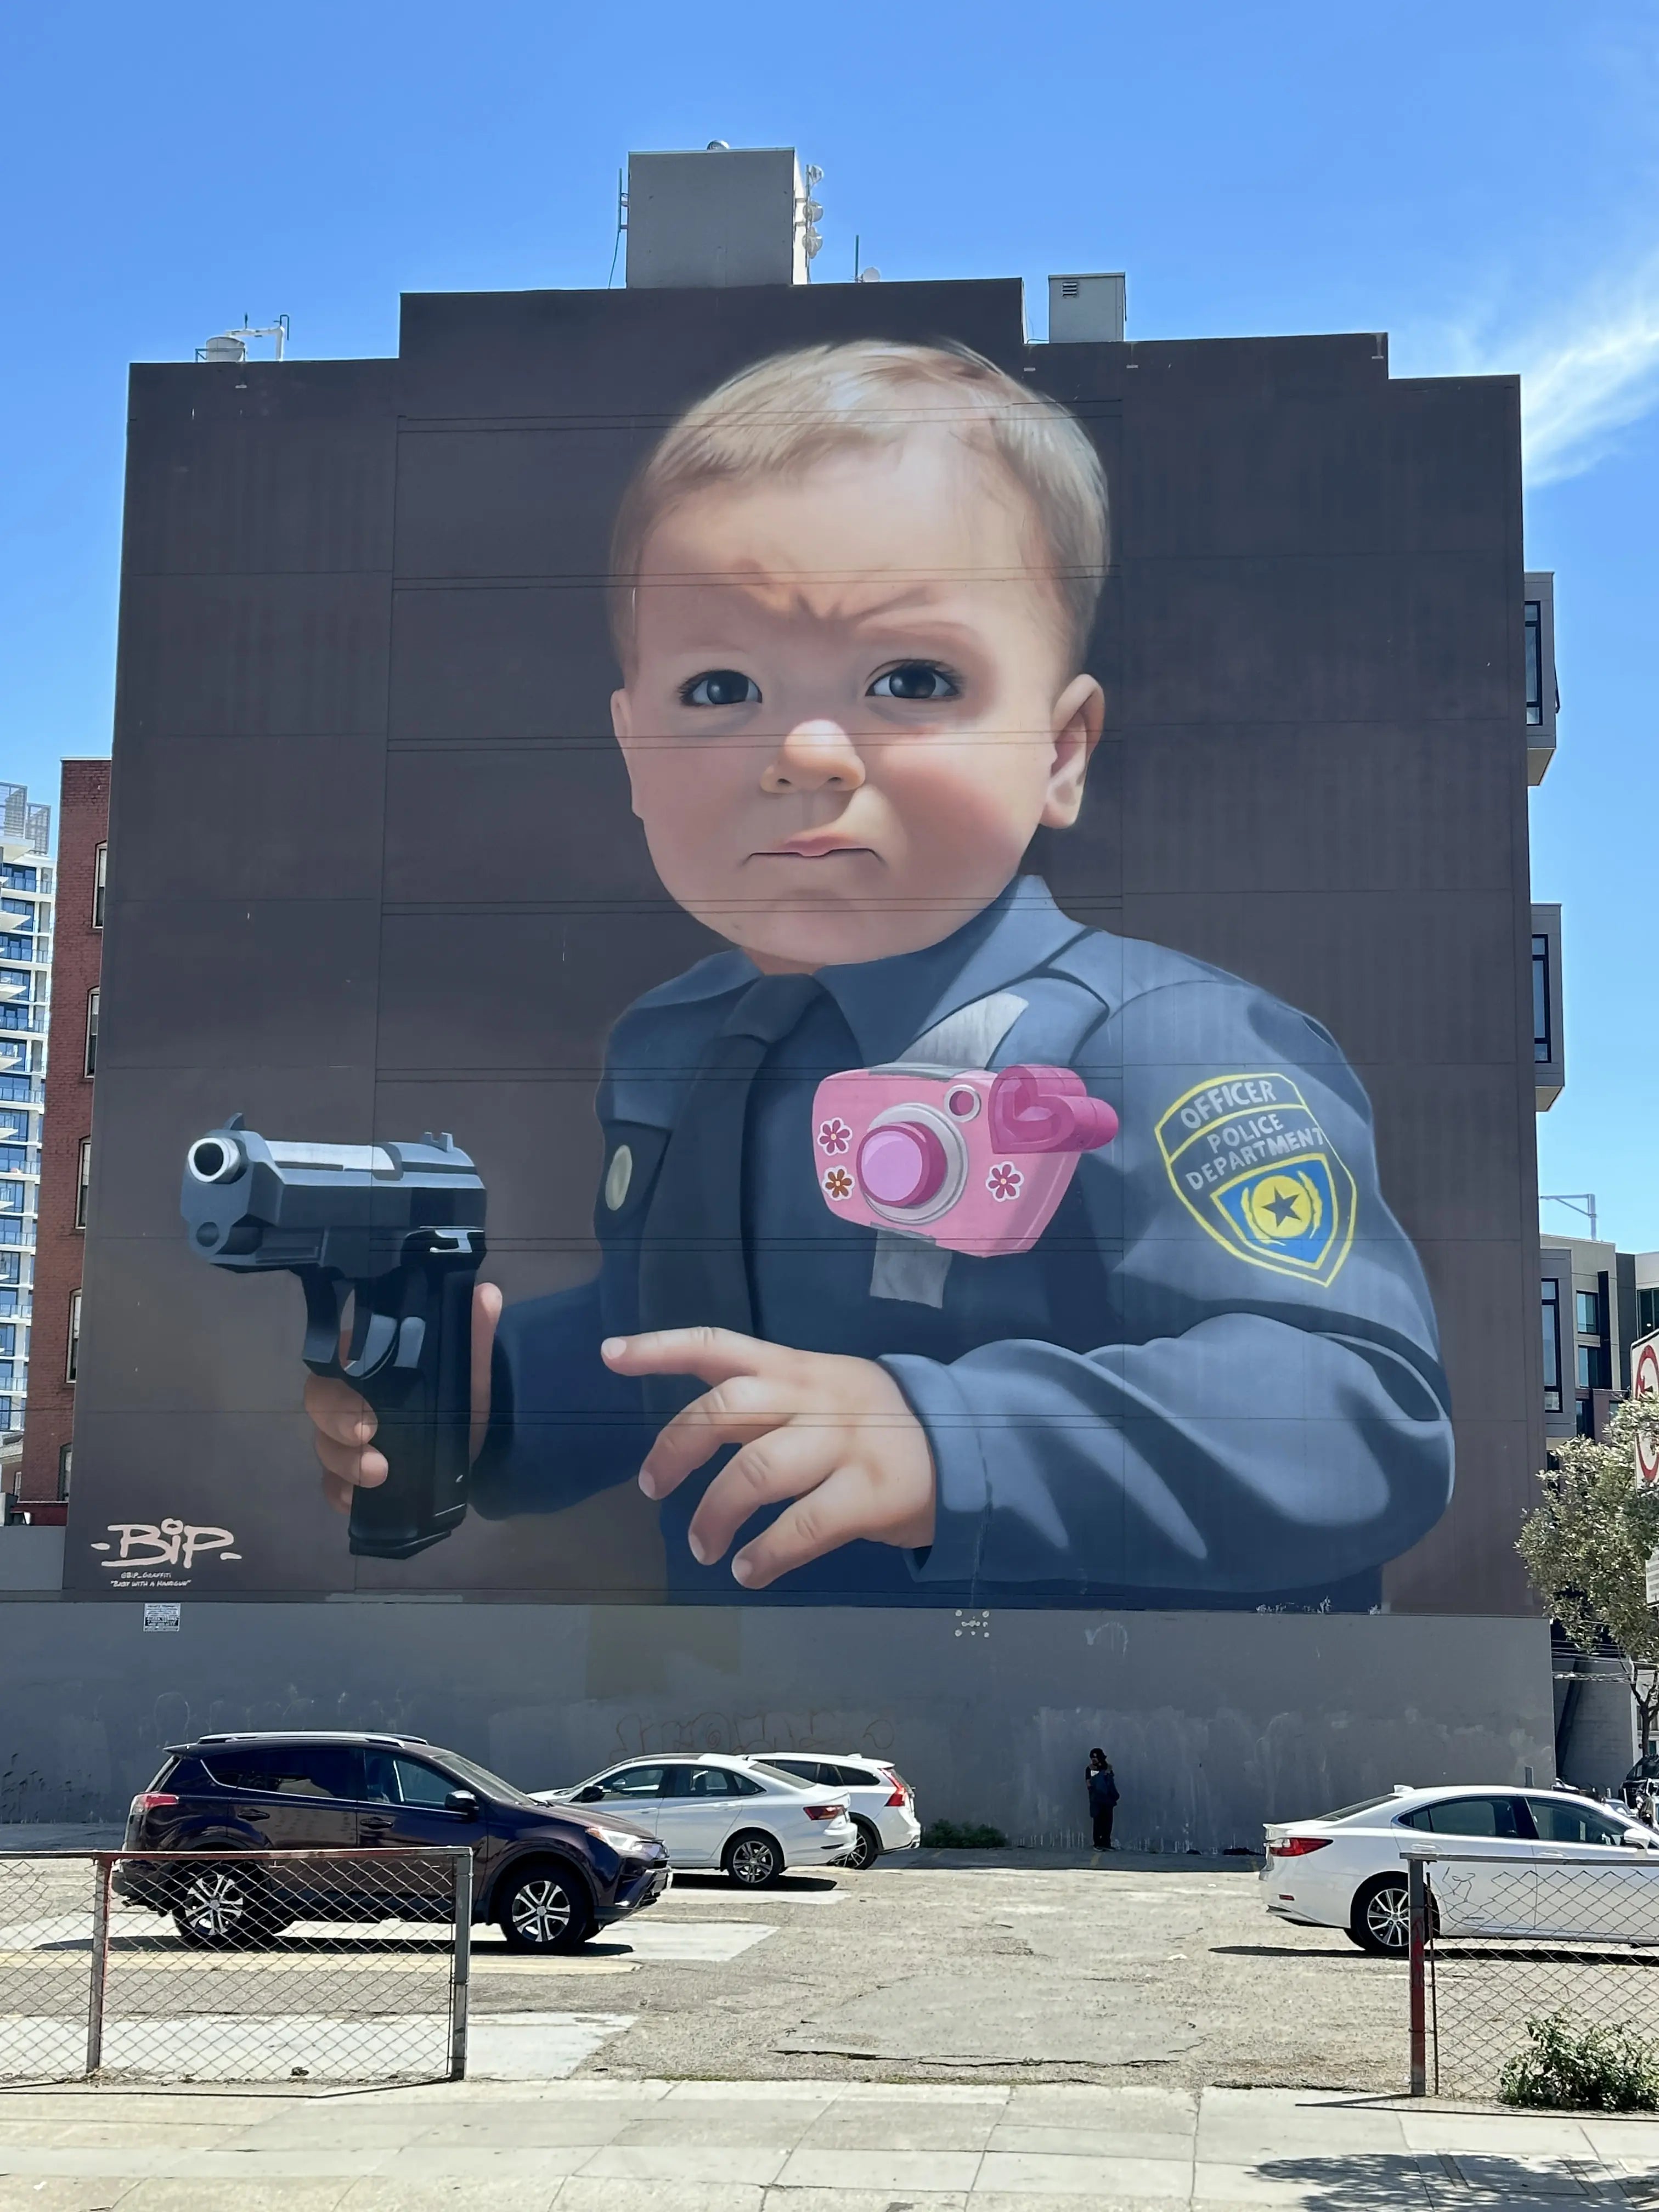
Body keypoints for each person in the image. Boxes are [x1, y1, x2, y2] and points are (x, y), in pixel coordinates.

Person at [306, 337, 1454, 1607]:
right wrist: (487, 1412)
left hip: (1105, 1720)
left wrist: (949, 1442)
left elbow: (1356, 1410)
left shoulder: (1157, 1039)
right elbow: (682, 1358)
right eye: (719, 686)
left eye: (912, 679)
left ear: (1062, 751)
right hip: (759, 1736)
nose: (806, 752)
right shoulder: (672, 1048)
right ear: (632, 751)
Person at [1086, 1750, 1119, 1850]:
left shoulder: (1108, 1768)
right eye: (1092, 1758)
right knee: (1098, 1822)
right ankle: (1098, 1843)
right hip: (1096, 1800)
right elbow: (1088, 1783)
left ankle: (1106, 1843)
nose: (1093, 1760)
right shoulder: (1090, 1769)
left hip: (1107, 1800)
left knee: (1108, 1823)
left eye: (1095, 1757)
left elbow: (1111, 1783)